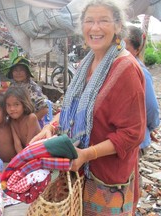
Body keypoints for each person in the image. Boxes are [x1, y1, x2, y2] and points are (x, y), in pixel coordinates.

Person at [30, 0, 146, 215]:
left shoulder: (126, 69)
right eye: (89, 21)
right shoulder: (87, 63)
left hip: (106, 178)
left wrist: (86, 154)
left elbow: (132, 134)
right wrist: (51, 128)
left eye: (104, 21)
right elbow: (71, 110)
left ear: (118, 26)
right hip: (78, 170)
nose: (95, 28)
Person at [124, 25, 160, 155]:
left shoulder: (139, 71)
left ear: (137, 49)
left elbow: (151, 108)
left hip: (132, 143)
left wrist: (148, 128)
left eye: (124, 48)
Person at [6, 56, 49, 127]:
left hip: (32, 125)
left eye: (21, 70)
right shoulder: (12, 85)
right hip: (17, 123)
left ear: (27, 72)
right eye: (15, 70)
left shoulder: (33, 88)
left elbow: (44, 109)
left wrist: (28, 123)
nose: (18, 73)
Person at [5, 87, 41, 153]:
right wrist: (20, 158)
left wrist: (23, 159)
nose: (12, 109)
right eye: (8, 105)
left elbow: (29, 144)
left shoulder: (31, 118)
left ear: (24, 104)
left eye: (16, 104)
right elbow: (17, 143)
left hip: (38, 151)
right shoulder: (11, 121)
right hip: (27, 153)